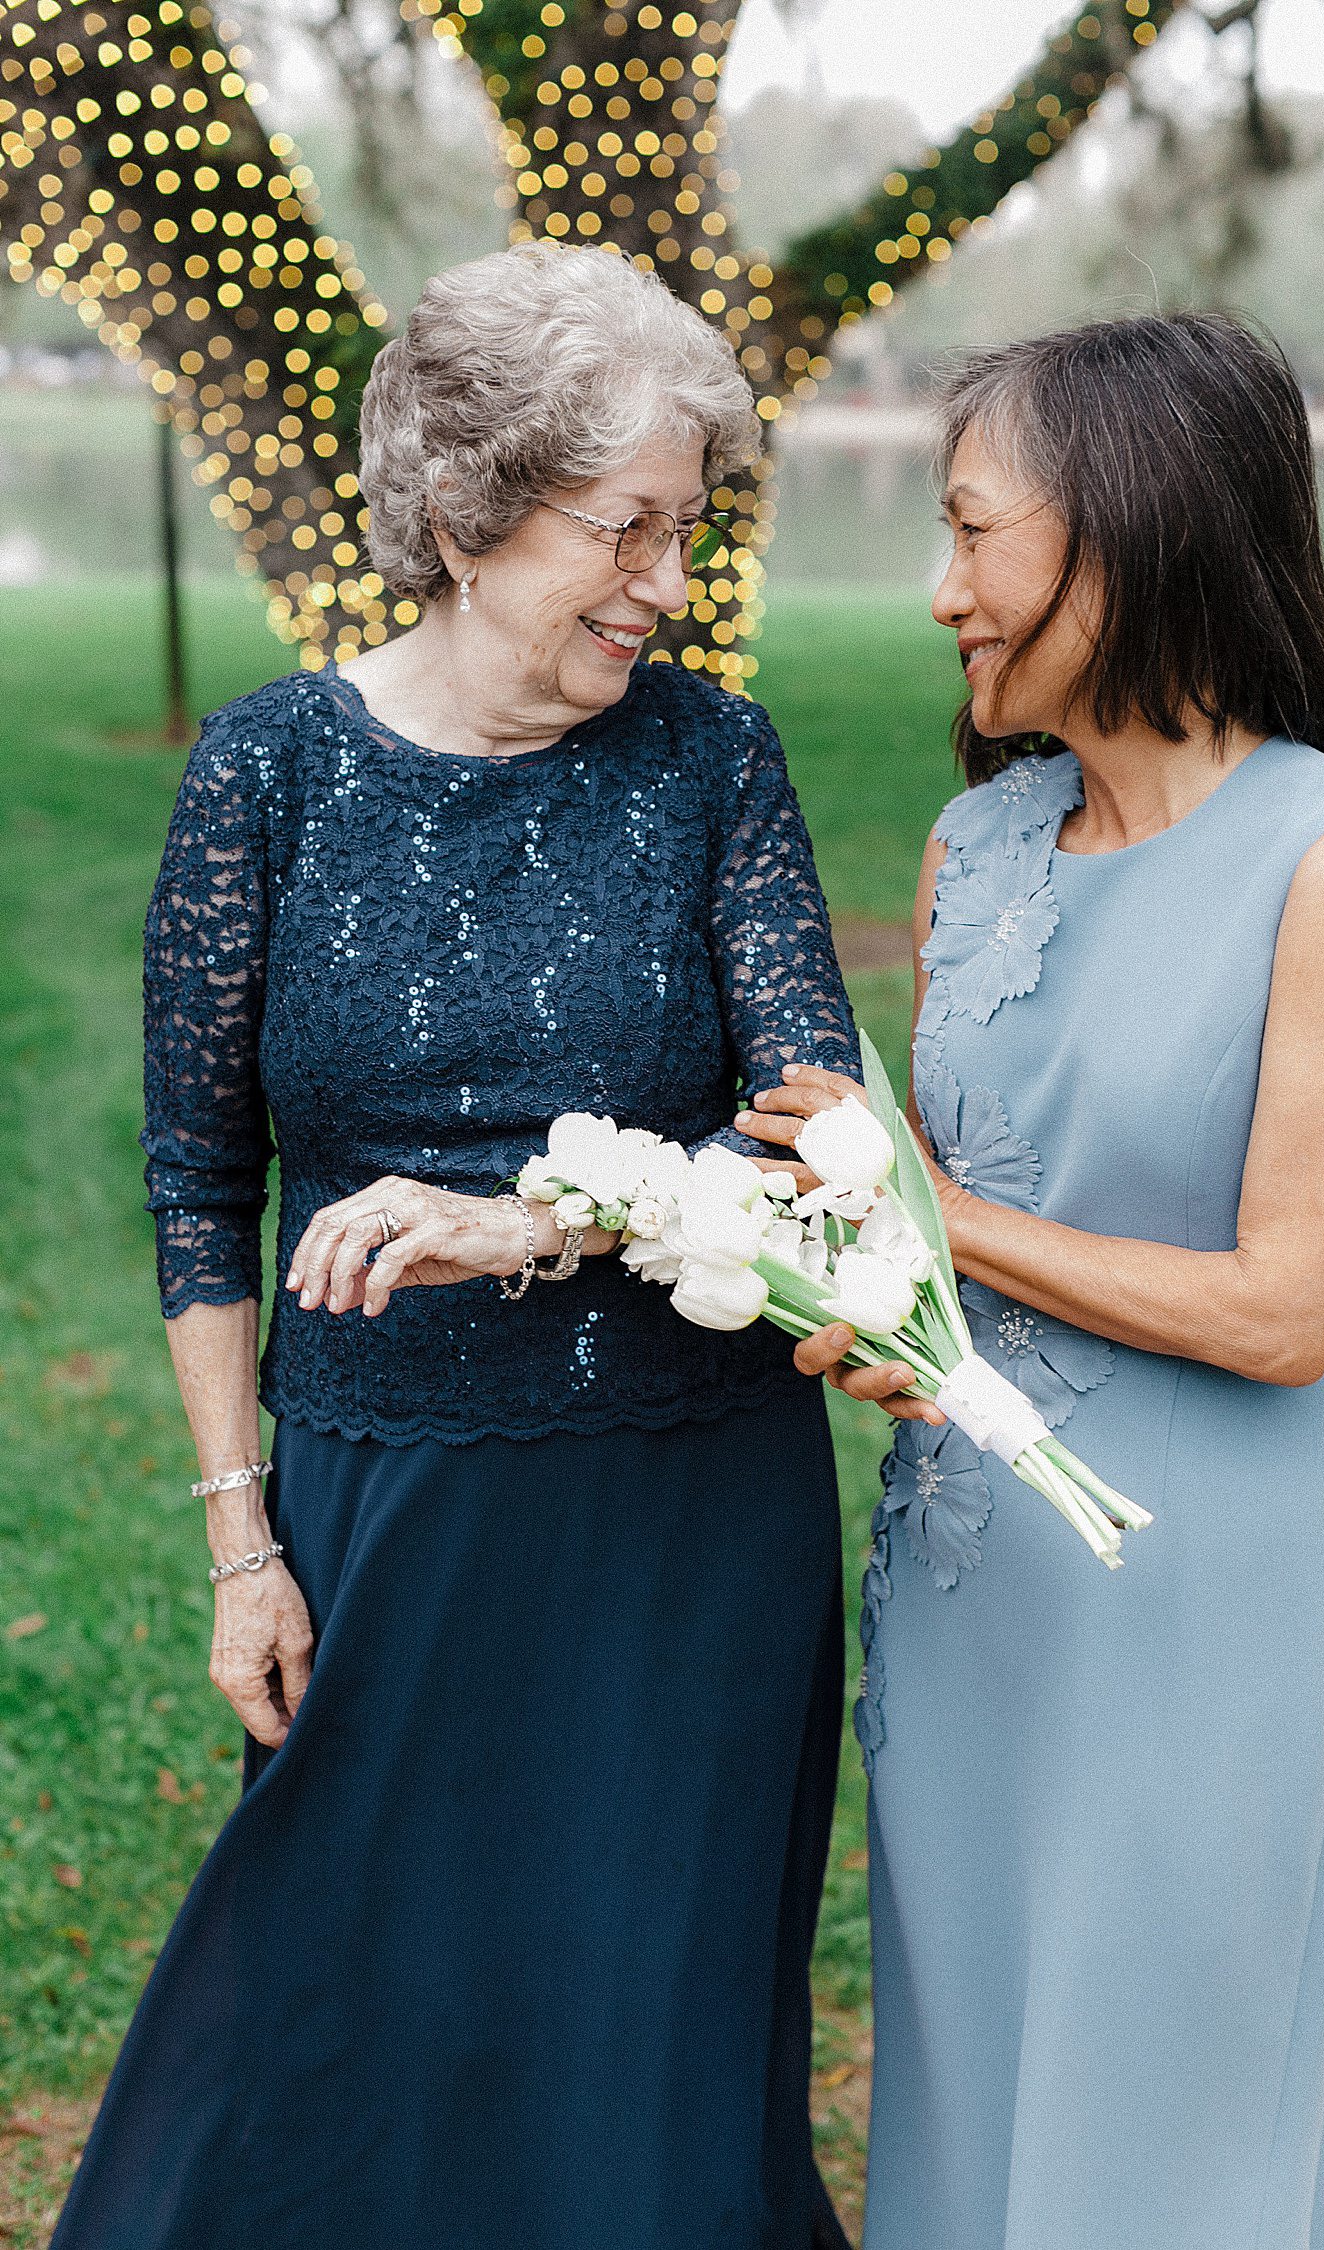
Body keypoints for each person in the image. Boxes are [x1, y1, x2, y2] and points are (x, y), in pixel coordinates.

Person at [53, 243, 856, 2250]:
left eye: (686, 530)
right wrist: (242, 1544)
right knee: (335, 2026)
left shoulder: (711, 765)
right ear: (477, 506)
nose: (666, 582)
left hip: (687, 1515)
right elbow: (193, 1181)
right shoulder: (267, 773)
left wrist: (526, 1218)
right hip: (380, 1507)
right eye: (626, 528)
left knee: (636, 2045)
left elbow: (826, 1150)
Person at [739, 314, 1324, 2250]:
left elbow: (1284, 1308)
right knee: (973, 2132)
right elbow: (973, 1227)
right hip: (972, 1600)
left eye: (975, 532)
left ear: (1129, 530)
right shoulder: (976, 846)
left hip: (1190, 1619)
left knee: (1160, 2155)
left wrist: (934, 1211)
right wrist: (891, 1313)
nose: (940, 591)